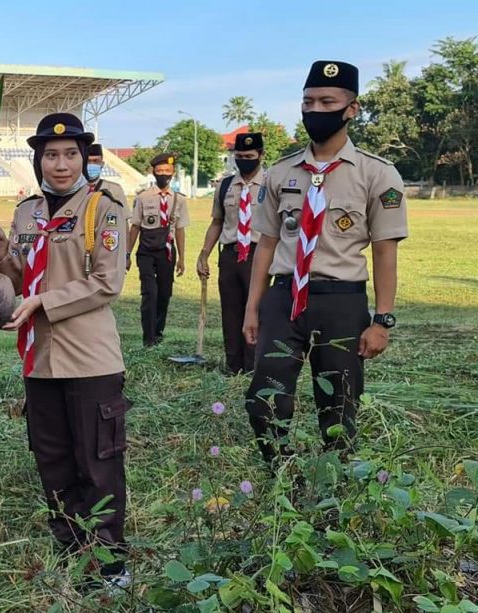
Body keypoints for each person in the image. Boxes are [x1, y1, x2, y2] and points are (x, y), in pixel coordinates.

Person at [0, 113, 131, 588]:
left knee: (97, 463)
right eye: (50, 155)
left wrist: (43, 301)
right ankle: (71, 549)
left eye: (69, 154)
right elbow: (21, 277)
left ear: (83, 156)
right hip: (39, 359)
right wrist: (2, 254)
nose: (61, 164)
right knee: (53, 461)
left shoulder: (103, 207)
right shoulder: (27, 211)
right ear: (37, 159)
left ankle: (109, 563)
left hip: (89, 359)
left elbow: (108, 282)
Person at [243, 61, 408, 460]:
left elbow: (386, 250)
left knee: (339, 406)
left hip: (342, 303)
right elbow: (266, 243)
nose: (315, 110)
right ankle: (284, 475)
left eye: (327, 101)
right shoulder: (281, 172)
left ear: (351, 108)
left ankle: (334, 486)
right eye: (308, 101)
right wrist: (253, 308)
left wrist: (382, 320)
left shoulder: (377, 174)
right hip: (284, 300)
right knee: (264, 399)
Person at [197, 132, 266, 374]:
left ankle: (253, 366)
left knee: (256, 310)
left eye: (249, 156)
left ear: (261, 156)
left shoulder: (271, 184)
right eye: (239, 156)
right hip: (229, 255)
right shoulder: (225, 185)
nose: (244, 160)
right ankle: (233, 365)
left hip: (260, 255)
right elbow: (217, 222)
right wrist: (204, 253)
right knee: (231, 310)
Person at [127, 153, 189, 346]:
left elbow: (180, 230)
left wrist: (181, 259)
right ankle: (149, 338)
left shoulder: (179, 200)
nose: (164, 174)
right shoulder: (143, 198)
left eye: (167, 171)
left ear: (173, 173)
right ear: (153, 172)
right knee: (149, 293)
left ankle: (158, 331)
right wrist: (127, 254)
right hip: (146, 252)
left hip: (167, 252)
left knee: (164, 294)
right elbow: (135, 227)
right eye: (160, 171)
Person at [86, 143, 129, 218]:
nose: (91, 164)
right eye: (88, 161)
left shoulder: (115, 189)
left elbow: (124, 218)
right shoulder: (74, 189)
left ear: (102, 164)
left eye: (96, 161)